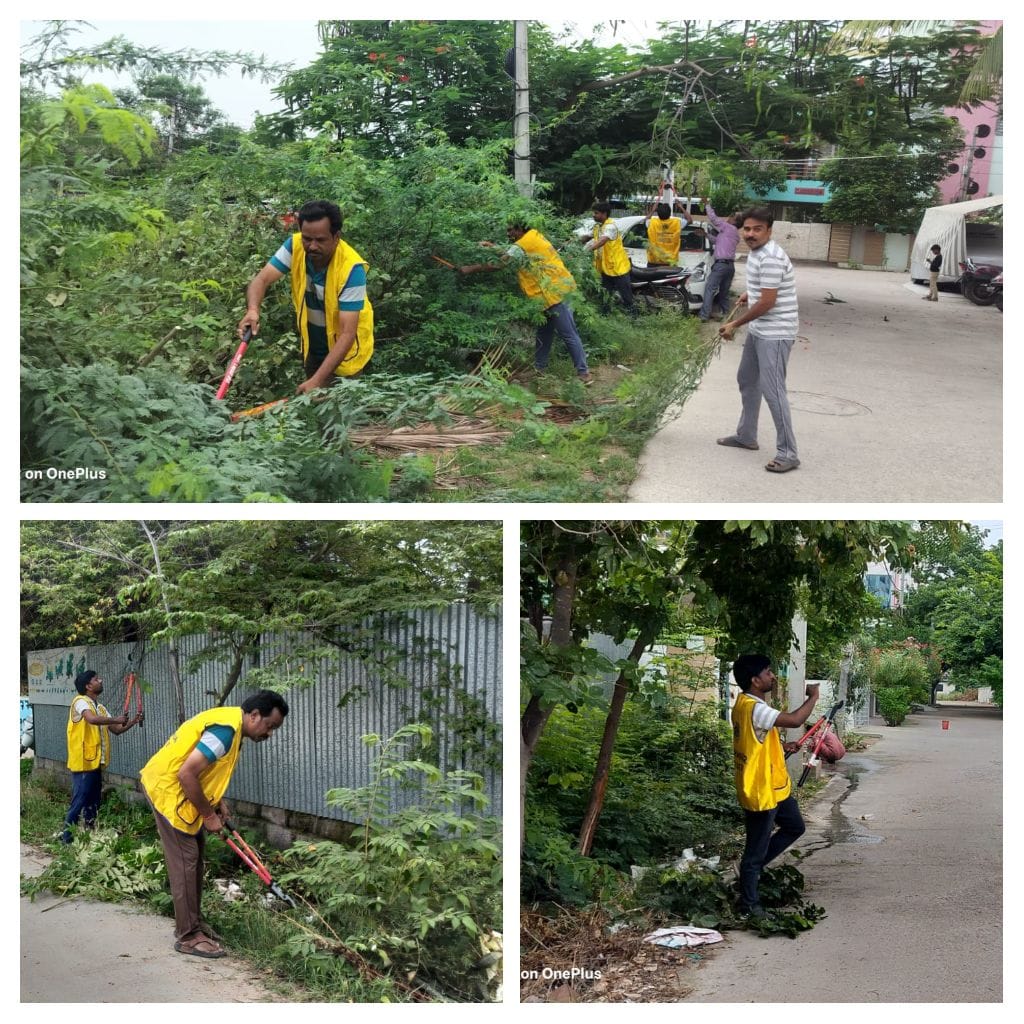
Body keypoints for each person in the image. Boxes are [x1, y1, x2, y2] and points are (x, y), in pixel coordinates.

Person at [139, 690, 289, 959]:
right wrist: (208, 816)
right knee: (186, 859)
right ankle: (187, 936)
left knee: (194, 857)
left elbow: (207, 770)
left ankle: (193, 925)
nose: (270, 734)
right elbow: (187, 773)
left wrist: (216, 801)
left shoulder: (232, 726)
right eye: (270, 726)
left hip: (178, 790)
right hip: (168, 790)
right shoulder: (225, 732)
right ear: (254, 715)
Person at [238, 200, 373, 394]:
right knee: (314, 415)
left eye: (320, 240)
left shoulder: (352, 269)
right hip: (312, 347)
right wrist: (252, 310)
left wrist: (317, 380)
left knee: (337, 417)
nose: (312, 246)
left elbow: (347, 334)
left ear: (336, 237)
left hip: (345, 357)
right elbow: (262, 279)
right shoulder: (295, 246)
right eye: (307, 238)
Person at [731, 654, 820, 918]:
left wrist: (782, 747)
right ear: (755, 680)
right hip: (760, 790)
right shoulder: (754, 707)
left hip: (775, 787)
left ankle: (750, 870)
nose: (772, 676)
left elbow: (756, 741)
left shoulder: (748, 705)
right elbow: (793, 720)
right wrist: (813, 698)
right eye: (768, 672)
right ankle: (749, 904)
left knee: (795, 826)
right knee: (755, 848)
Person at [717, 206, 801, 473]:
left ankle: (788, 453)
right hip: (760, 330)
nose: (751, 234)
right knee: (747, 379)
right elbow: (761, 291)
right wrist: (747, 295)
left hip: (776, 333)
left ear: (769, 231)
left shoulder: (771, 257)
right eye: (747, 229)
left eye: (757, 229)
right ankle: (746, 436)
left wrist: (735, 323)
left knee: (773, 390)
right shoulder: (756, 253)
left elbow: (767, 301)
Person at [459, 222, 592, 384]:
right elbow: (517, 253)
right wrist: (492, 247)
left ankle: (583, 373)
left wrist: (471, 268)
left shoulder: (522, 244)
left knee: (568, 334)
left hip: (555, 293)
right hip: (553, 291)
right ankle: (539, 369)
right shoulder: (534, 235)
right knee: (544, 333)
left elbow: (502, 263)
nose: (508, 234)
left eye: (510, 230)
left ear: (520, 229)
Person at [61, 669, 142, 843]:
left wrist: (133, 721)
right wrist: (117, 719)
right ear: (88, 686)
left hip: (95, 762)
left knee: (94, 802)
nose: (101, 680)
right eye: (97, 679)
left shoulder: (101, 708)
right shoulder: (80, 702)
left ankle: (88, 835)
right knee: (79, 801)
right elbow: (92, 719)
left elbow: (117, 730)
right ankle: (66, 840)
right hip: (83, 762)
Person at [585, 202, 636, 315]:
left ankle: (634, 318)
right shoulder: (598, 227)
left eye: (596, 213)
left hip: (618, 268)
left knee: (626, 296)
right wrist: (572, 242)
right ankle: (605, 315)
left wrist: (587, 250)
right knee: (606, 294)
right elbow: (587, 236)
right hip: (606, 268)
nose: (593, 215)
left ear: (604, 214)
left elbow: (602, 240)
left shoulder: (610, 227)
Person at [699, 198, 742, 322]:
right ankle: (725, 314)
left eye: (732, 216)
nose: (729, 217)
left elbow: (713, 219)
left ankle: (704, 316)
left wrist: (707, 204)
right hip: (730, 267)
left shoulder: (727, 227)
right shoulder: (733, 234)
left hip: (721, 265)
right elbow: (718, 241)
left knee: (710, 288)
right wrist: (706, 235)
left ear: (734, 221)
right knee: (724, 292)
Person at [644, 202, 690, 268]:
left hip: (654, 262)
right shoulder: (677, 223)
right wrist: (681, 207)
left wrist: (653, 210)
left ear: (658, 213)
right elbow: (690, 220)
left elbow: (645, 220)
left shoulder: (651, 222)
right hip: (670, 262)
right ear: (670, 213)